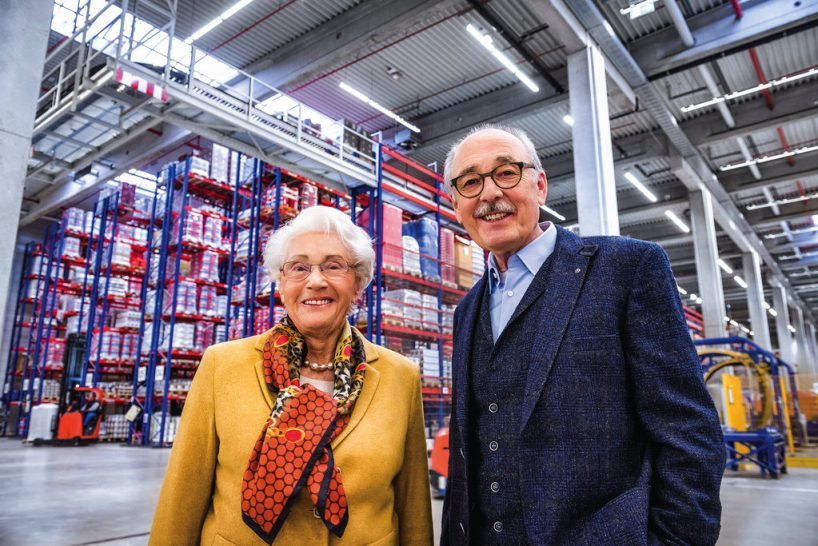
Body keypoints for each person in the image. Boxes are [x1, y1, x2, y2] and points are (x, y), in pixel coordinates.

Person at [440, 125, 724, 545]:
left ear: (540, 186)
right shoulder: (467, 310)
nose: (488, 194)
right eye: (470, 182)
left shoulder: (626, 268)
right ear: (455, 202)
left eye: (506, 173)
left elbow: (688, 430)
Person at [150, 206, 433, 545]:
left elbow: (413, 505)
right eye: (298, 267)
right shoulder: (221, 366)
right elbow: (182, 497)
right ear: (281, 283)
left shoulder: (400, 376)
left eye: (334, 266)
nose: (315, 281)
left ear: (359, 283)